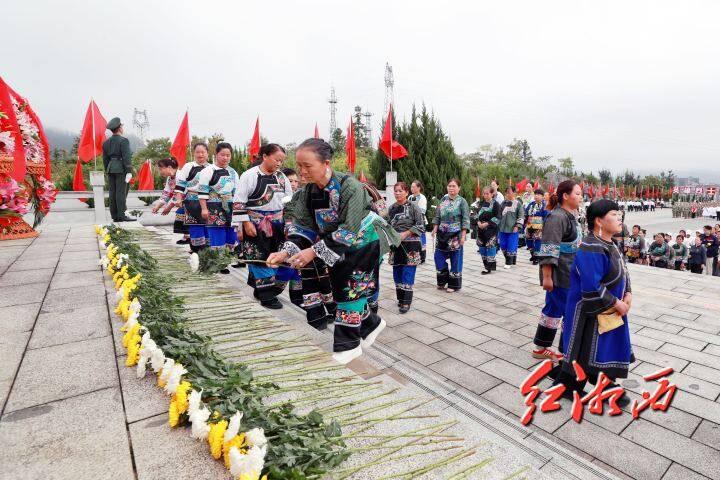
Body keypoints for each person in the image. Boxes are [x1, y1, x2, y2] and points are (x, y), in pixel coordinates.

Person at [267, 138, 398, 364]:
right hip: (335, 245)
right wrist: (286, 252)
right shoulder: (307, 192)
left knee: (350, 290)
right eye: (299, 166)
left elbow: (348, 230)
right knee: (340, 289)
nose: (302, 172)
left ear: (325, 163)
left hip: (365, 241)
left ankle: (348, 347)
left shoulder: (350, 187)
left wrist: (311, 252)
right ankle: (371, 324)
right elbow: (303, 227)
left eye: (308, 166)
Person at [554, 199, 634, 405]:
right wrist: (617, 303)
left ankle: (596, 384)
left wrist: (628, 293)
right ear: (599, 221)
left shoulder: (610, 242)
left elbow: (623, 270)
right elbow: (591, 285)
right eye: (614, 214)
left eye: (619, 214)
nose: (619, 217)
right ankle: (577, 386)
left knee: (599, 348)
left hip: (609, 309)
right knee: (586, 348)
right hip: (589, 311)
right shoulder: (591, 247)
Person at [233, 143, 292, 309]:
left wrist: (289, 224)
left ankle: (262, 289)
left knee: (278, 257)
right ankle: (267, 296)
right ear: (265, 156)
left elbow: (290, 202)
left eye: (281, 161)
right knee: (260, 258)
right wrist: (246, 223)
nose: (279, 163)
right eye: (276, 159)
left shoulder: (282, 177)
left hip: (278, 224)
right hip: (256, 223)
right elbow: (239, 202)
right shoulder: (250, 175)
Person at [532, 180, 582, 361]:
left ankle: (541, 347)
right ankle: (564, 351)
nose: (580, 197)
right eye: (577, 194)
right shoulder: (557, 217)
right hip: (560, 274)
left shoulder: (570, 215)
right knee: (569, 311)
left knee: (553, 309)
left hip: (568, 272)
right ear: (565, 196)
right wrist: (547, 277)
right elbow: (548, 249)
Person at [195, 142, 239, 272]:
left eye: (228, 155)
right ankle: (220, 264)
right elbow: (202, 192)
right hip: (214, 206)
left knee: (231, 235)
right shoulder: (208, 171)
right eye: (222, 155)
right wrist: (204, 208)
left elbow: (237, 192)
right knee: (217, 234)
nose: (225, 158)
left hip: (230, 206)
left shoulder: (233, 172)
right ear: (216, 155)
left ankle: (226, 259)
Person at [388, 182, 425, 313]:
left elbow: (420, 226)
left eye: (400, 191)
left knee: (408, 272)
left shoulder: (414, 207)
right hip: (396, 244)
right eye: (396, 191)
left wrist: (406, 233)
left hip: (411, 244)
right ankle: (400, 298)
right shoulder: (391, 208)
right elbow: (387, 225)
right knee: (397, 271)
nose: (398, 193)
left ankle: (406, 302)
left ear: (406, 192)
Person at [432, 178, 470, 292]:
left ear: (459, 188)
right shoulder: (443, 199)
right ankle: (442, 280)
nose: (451, 188)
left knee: (455, 259)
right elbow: (438, 215)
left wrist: (463, 235)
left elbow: (465, 219)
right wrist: (434, 228)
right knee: (438, 257)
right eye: (449, 186)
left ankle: (453, 285)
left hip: (455, 234)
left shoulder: (462, 201)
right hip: (442, 234)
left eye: (454, 186)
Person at [274, 167, 304, 307]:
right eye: (290, 181)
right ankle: (271, 291)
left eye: (296, 181)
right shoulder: (276, 196)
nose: (293, 184)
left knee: (299, 266)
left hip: (299, 235)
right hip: (283, 236)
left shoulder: (301, 196)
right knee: (285, 265)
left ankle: (297, 297)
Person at [174, 143, 212, 251]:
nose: (200, 155)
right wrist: (179, 199)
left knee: (209, 228)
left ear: (207, 153)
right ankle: (197, 252)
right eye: (197, 152)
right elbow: (180, 185)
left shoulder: (212, 168)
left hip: (209, 202)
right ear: (194, 153)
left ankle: (209, 255)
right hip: (192, 202)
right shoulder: (188, 166)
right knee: (196, 228)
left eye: (203, 152)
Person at [102, 117, 135, 222]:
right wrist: (129, 171)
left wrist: (107, 170)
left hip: (111, 168)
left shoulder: (106, 143)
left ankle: (115, 215)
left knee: (112, 192)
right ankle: (122, 215)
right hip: (121, 169)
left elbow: (105, 159)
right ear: (119, 128)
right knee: (121, 192)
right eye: (122, 126)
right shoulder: (123, 141)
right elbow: (126, 157)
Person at [152, 158, 189, 244]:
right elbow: (167, 193)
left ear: (169, 167)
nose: (160, 171)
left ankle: (189, 236)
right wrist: (158, 206)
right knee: (181, 215)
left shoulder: (180, 175)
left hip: (188, 199)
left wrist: (170, 206)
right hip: (181, 201)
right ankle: (187, 236)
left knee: (182, 215)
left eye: (161, 169)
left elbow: (182, 192)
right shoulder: (170, 178)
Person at [498, 186, 525, 269]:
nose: (507, 194)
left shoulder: (518, 204)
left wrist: (517, 226)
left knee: (511, 245)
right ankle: (511, 260)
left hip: (513, 229)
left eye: (509, 192)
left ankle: (508, 262)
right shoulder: (503, 203)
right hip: (502, 228)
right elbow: (498, 215)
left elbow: (521, 216)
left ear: (514, 193)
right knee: (502, 245)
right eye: (506, 192)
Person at [476, 187, 501, 275]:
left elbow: (498, 217)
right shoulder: (481, 203)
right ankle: (486, 265)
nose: (485, 195)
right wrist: (478, 222)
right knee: (482, 248)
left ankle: (489, 268)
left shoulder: (496, 204)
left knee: (490, 247)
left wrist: (487, 224)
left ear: (492, 194)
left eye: (487, 193)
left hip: (491, 229)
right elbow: (475, 214)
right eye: (484, 193)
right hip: (480, 229)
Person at [525, 188, 547, 264]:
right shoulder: (531, 204)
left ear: (543, 196)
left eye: (538, 195)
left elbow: (546, 216)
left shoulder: (544, 205)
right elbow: (526, 213)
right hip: (529, 225)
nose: (536, 196)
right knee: (528, 240)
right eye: (535, 194)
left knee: (537, 240)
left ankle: (537, 257)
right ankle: (533, 254)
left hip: (539, 226)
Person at [409, 180, 428, 264]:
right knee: (412, 239)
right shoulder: (410, 197)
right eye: (411, 187)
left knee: (421, 239)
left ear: (419, 188)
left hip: (421, 221)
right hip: (411, 221)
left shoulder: (422, 198)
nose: (412, 188)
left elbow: (422, 211)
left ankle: (422, 257)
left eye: (413, 187)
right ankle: (413, 256)